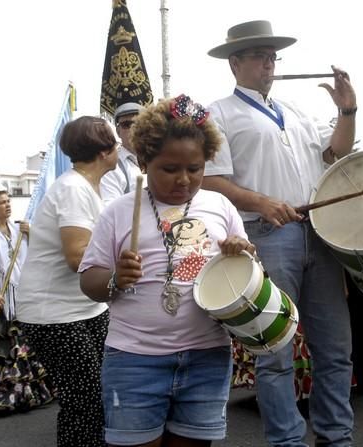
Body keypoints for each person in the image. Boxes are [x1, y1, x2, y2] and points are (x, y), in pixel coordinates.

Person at [203, 20, 356, 447]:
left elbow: (337, 152)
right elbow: (210, 181)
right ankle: (286, 442)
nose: (269, 62)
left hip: (316, 233)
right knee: (274, 351)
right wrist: (262, 202)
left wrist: (348, 109)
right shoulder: (218, 113)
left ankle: (336, 437)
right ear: (235, 63)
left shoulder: (296, 109)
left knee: (335, 349)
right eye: (259, 55)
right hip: (266, 235)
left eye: (273, 55)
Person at [79, 94, 251, 447]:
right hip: (133, 361)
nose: (184, 179)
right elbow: (89, 281)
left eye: (195, 168)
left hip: (207, 357)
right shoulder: (118, 212)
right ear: (144, 161)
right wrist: (115, 279)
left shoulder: (220, 206)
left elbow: (247, 274)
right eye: (169, 169)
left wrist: (241, 253)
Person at [16, 116, 118, 446]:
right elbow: (78, 256)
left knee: (98, 393)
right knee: (84, 400)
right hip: (56, 314)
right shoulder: (74, 189)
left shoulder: (86, 187)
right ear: (104, 152)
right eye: (115, 143)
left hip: (86, 309)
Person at [0, 179, 54, 414]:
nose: (7, 205)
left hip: (24, 296)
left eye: (8, 201)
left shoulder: (19, 229)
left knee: (28, 346)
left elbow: (42, 253)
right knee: (6, 349)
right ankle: (5, 399)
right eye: (2, 202)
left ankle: (31, 394)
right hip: (1, 300)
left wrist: (32, 233)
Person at [100, 102, 144, 205]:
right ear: (118, 131)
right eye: (126, 125)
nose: (133, 129)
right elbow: (112, 211)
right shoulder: (112, 167)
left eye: (139, 123)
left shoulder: (158, 159)